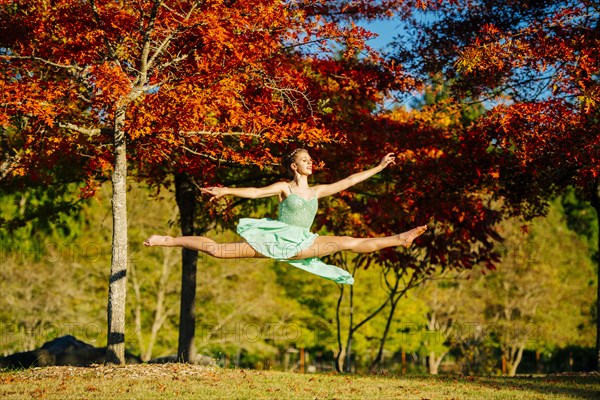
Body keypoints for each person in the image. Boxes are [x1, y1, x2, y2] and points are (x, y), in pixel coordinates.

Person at [144, 149, 427, 284]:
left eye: (311, 160)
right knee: (217, 250)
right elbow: (255, 193)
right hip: (272, 242)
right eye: (305, 160)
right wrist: (227, 189)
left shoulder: (317, 191)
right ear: (294, 166)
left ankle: (400, 238)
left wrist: (378, 167)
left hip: (301, 246)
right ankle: (168, 240)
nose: (310, 162)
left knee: (349, 241)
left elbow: (351, 180)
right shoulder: (284, 187)